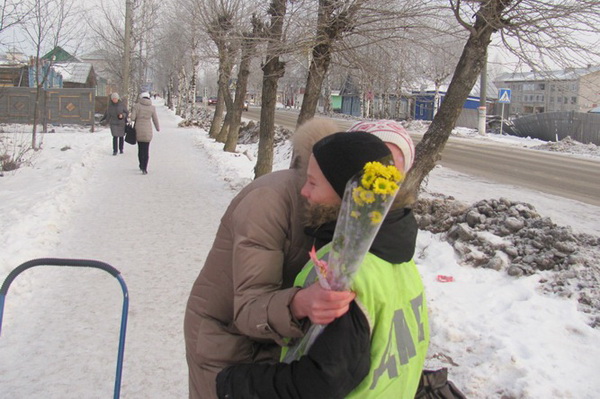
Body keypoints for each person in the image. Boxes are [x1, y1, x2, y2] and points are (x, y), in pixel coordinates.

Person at [215, 132, 429, 399]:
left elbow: (321, 382)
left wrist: (236, 381)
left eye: (313, 183)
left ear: (344, 193)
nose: (304, 191)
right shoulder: (400, 257)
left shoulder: (345, 272)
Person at [183, 118, 347, 399]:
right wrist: (300, 302)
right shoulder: (268, 202)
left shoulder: (340, 212)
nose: (307, 189)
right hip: (224, 340)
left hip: (274, 341)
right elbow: (248, 308)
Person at [130, 92, 160, 174]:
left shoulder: (137, 106)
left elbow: (132, 117)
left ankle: (141, 164)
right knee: (146, 149)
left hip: (138, 128)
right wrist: (157, 128)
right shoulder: (152, 108)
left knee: (140, 148)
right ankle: (145, 167)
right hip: (148, 129)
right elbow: (155, 119)